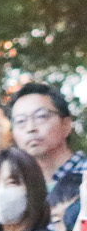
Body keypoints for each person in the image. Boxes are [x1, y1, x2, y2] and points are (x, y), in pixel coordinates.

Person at [8, 82, 83, 211]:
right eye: (21, 121)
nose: (31, 128)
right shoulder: (15, 186)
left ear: (66, 124)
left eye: (41, 117)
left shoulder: (85, 174)